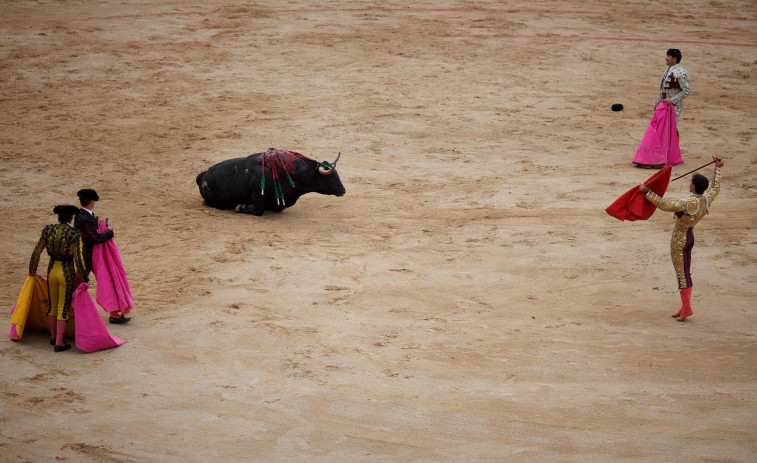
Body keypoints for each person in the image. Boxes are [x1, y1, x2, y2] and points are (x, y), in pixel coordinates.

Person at [639, 157, 723, 321]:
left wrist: (647, 192)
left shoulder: (690, 202)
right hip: (689, 237)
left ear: (694, 186)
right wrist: (718, 168)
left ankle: (687, 308)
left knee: (682, 274)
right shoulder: (706, 198)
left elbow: (665, 204)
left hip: (680, 240)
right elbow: (716, 188)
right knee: (685, 272)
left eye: (691, 182)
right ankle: (685, 306)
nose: (689, 184)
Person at [29, 205, 87, 351]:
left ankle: (53, 337)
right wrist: (84, 278)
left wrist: (32, 272)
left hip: (52, 270)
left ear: (59, 217)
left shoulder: (48, 231)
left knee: (52, 304)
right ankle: (59, 343)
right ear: (71, 218)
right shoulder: (75, 235)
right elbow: (79, 259)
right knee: (63, 307)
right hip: (66, 272)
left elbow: (36, 252)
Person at [74, 188, 129, 324]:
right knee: (106, 281)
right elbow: (96, 238)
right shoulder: (84, 218)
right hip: (91, 255)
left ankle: (113, 312)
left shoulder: (82, 215)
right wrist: (109, 232)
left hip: (88, 254)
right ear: (92, 202)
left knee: (80, 281)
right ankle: (113, 313)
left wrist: (101, 226)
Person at [655, 48, 691, 127]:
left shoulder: (681, 72)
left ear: (674, 58)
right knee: (662, 130)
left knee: (670, 130)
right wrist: (658, 102)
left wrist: (672, 100)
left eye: (668, 56)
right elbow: (664, 89)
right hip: (664, 105)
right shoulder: (668, 70)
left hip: (673, 107)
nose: (666, 58)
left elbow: (687, 90)